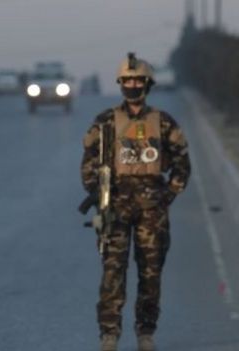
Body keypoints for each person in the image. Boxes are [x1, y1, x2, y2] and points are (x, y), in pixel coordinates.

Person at [80, 53, 191, 351]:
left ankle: (145, 332)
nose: (132, 85)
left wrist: (166, 196)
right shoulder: (105, 122)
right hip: (114, 208)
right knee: (113, 272)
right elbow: (89, 162)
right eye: (127, 80)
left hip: (152, 212)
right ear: (120, 84)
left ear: (147, 84)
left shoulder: (163, 123)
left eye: (137, 80)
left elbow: (182, 165)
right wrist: (98, 193)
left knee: (150, 274)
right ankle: (109, 334)